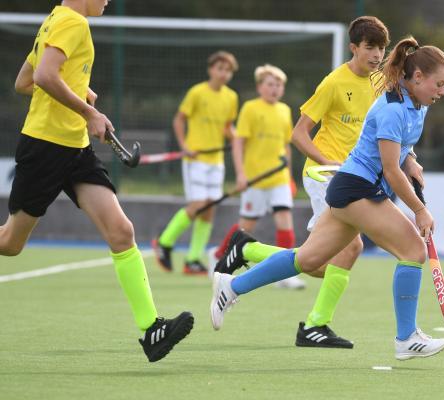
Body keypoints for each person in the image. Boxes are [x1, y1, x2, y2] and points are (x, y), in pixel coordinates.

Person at [211, 35, 444, 361]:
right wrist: (419, 210)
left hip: (350, 188)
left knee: (308, 259)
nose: (443, 92)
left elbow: (401, 151)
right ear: (419, 77)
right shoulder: (393, 107)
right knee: (412, 249)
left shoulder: (417, 106)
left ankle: (231, 287)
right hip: (357, 188)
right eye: (439, 84)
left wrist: (411, 160)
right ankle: (406, 338)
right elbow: (389, 170)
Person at [0, 0, 194, 362]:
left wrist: (78, 93)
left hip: (76, 149)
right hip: (44, 146)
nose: (107, 0)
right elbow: (40, 78)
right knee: (10, 243)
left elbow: (24, 81)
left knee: (121, 231)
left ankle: (152, 329)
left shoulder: (55, 19)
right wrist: (88, 110)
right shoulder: (73, 22)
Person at [214, 64, 305, 289]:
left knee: (284, 221)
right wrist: (241, 174)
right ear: (260, 87)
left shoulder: (284, 110)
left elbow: (286, 147)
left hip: (279, 179)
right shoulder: (250, 108)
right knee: (246, 226)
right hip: (255, 178)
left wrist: (290, 177)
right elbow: (238, 143)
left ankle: (284, 274)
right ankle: (218, 257)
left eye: (279, 85)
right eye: (270, 84)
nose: (275, 89)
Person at [152, 51, 239, 275]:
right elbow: (179, 119)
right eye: (220, 68)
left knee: (209, 210)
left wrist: (240, 139)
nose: (223, 73)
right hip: (195, 159)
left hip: (216, 161)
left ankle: (192, 259)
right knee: (198, 205)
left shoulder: (231, 97)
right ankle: (164, 241)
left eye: (228, 70)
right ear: (211, 69)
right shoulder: (197, 92)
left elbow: (227, 128)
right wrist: (184, 146)